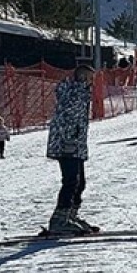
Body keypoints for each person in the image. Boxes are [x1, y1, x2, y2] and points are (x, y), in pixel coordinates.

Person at [46, 65, 96, 235]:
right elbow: (70, 112)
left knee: (80, 182)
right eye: (90, 78)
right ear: (82, 77)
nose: (92, 82)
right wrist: (83, 89)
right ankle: (59, 219)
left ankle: (70, 215)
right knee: (70, 181)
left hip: (76, 144)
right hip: (66, 143)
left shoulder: (81, 91)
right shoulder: (74, 91)